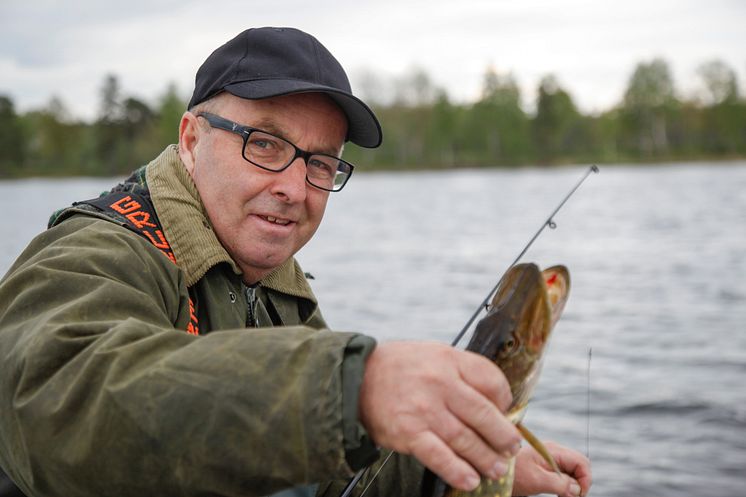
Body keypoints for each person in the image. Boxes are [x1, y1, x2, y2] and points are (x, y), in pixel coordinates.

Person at [0, 27, 591, 497]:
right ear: (190, 139)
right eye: (265, 143)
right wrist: (351, 388)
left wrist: (459, 464)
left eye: (321, 162)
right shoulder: (95, 252)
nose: (293, 187)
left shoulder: (272, 282)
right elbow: (53, 408)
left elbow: (329, 477)